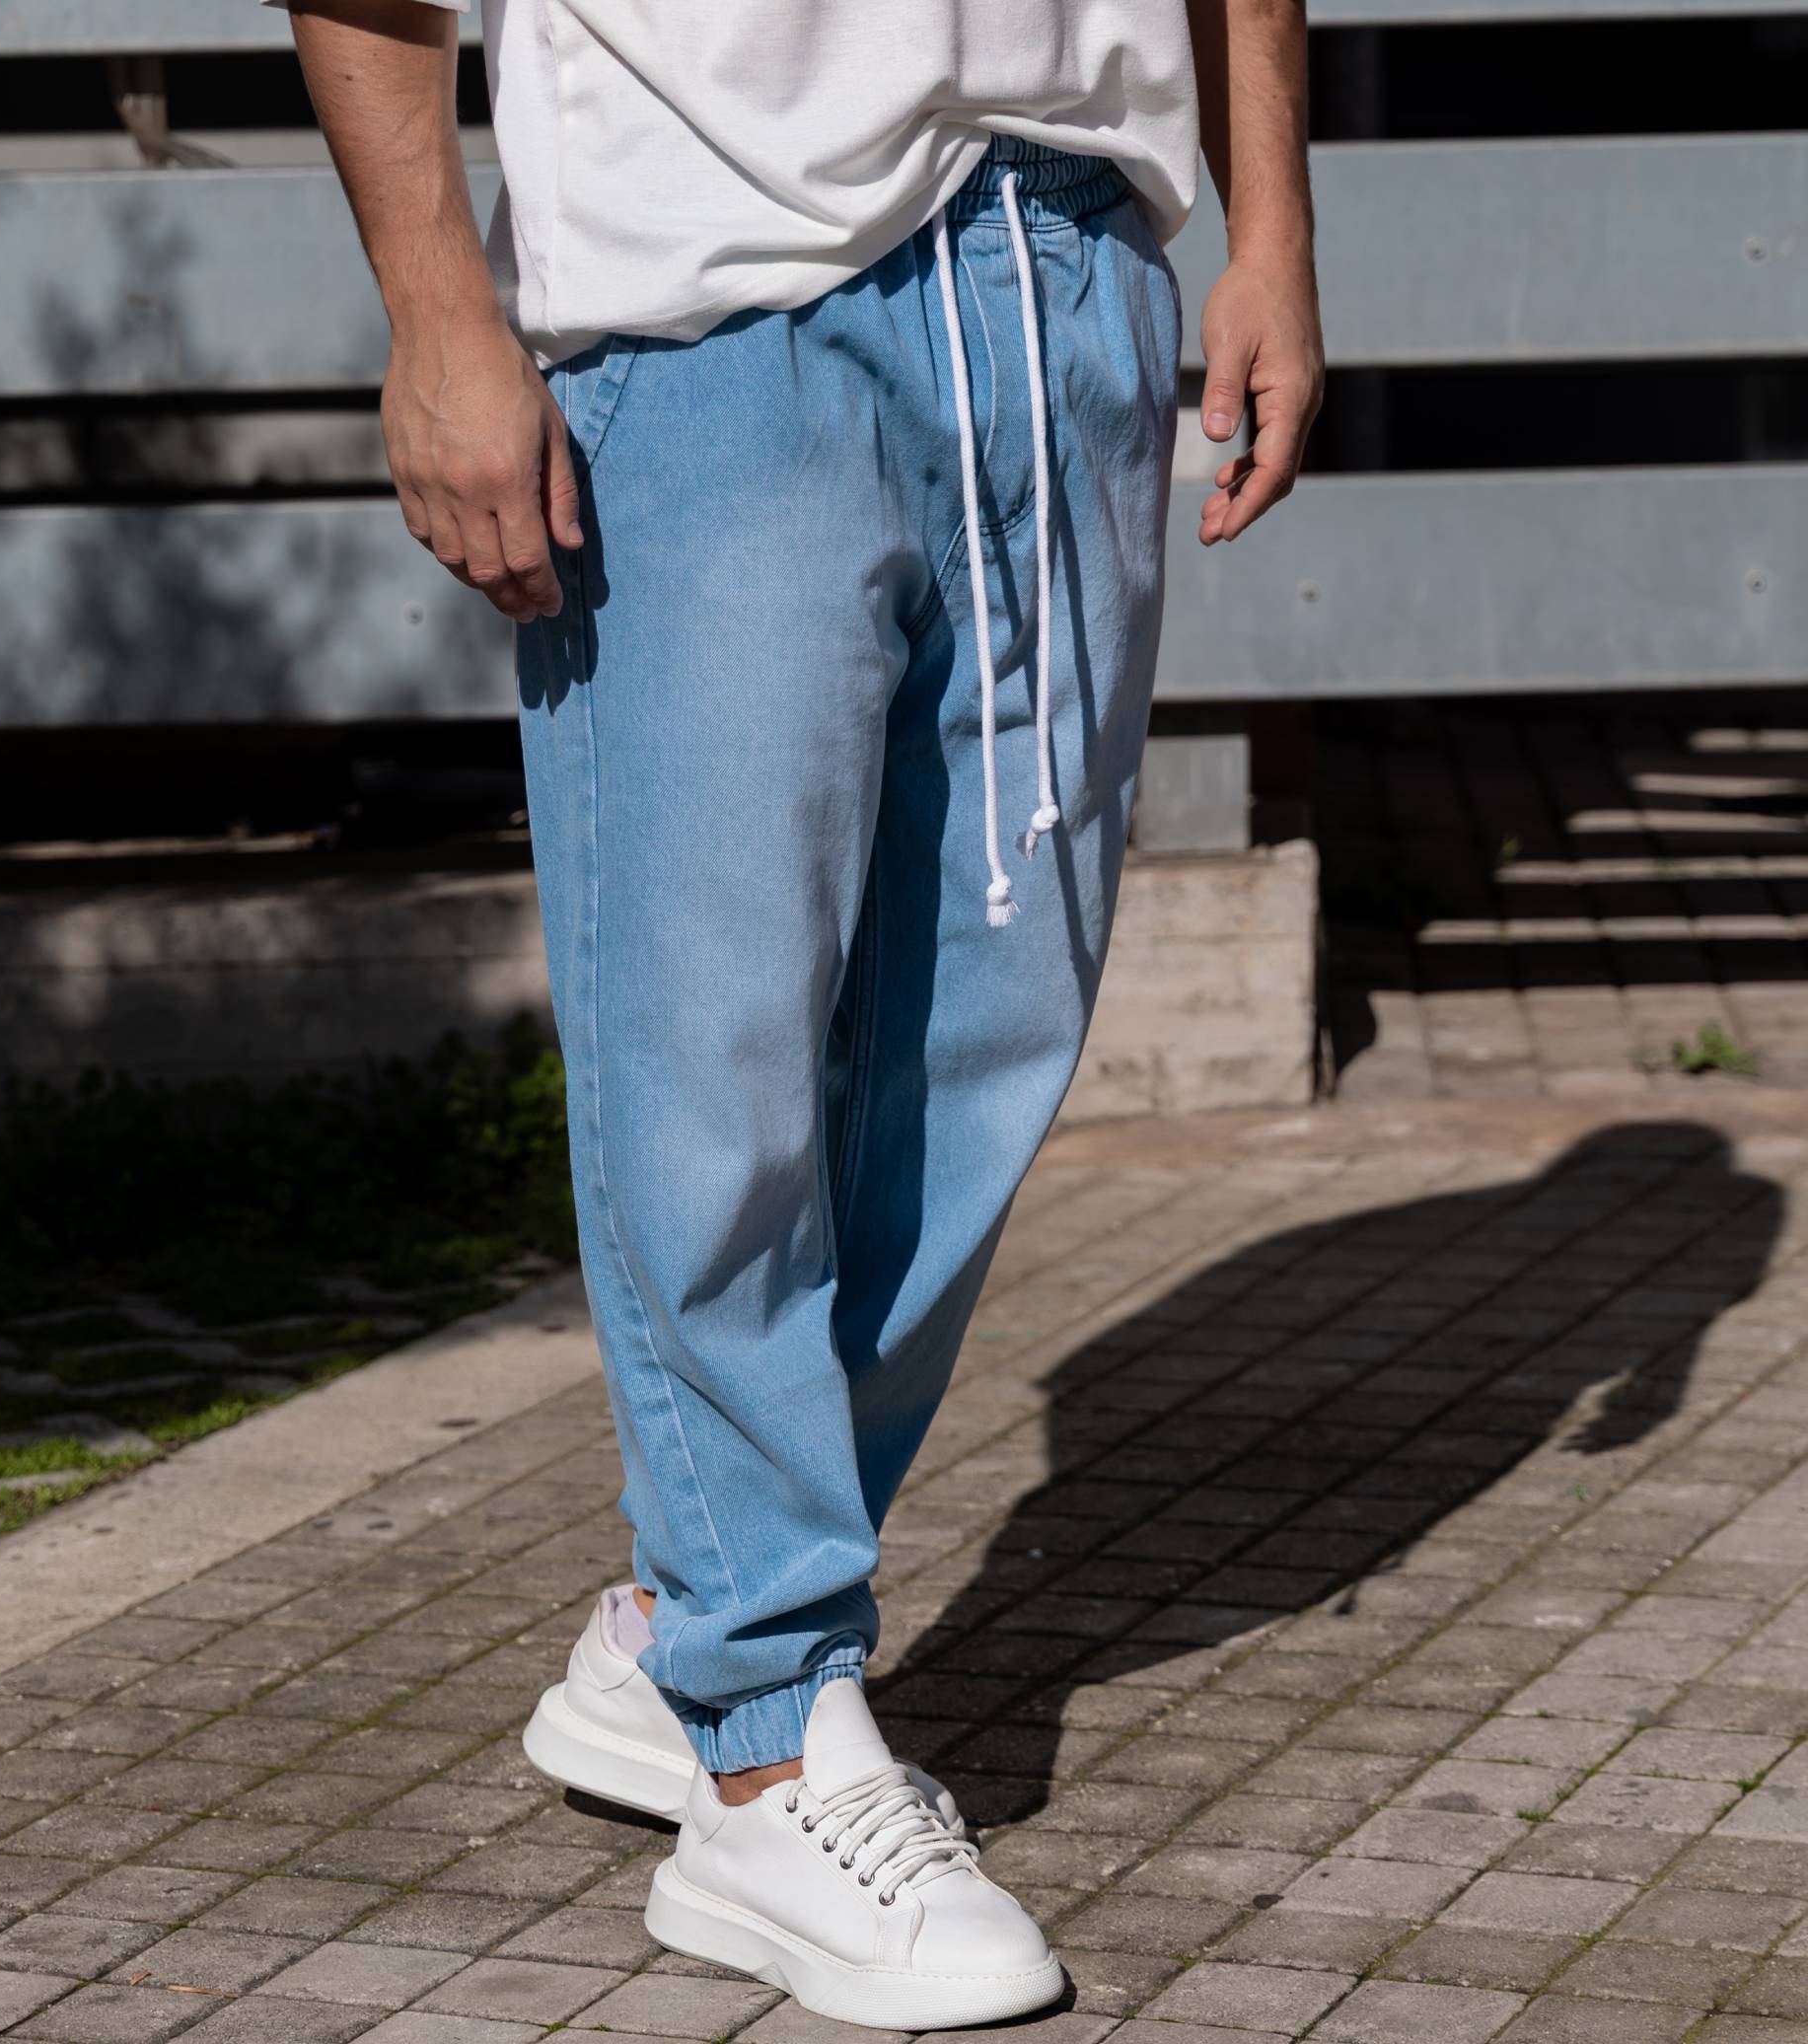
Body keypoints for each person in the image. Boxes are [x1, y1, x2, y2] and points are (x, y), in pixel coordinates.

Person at [281, 0, 1322, 2021]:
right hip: (707, 294)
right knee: (715, 1052)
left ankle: (681, 1627)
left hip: (1071, 265)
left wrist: (1269, 217)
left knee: (989, 1035)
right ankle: (762, 1741)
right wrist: (438, 313)